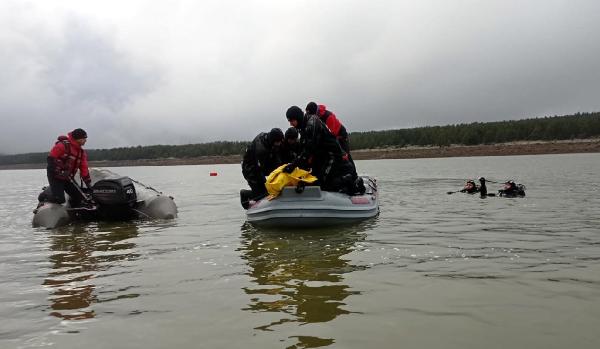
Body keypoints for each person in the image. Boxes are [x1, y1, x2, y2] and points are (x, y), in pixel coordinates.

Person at [285, 106, 364, 195]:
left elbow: (309, 149)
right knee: (317, 179)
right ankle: (342, 181)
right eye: (289, 121)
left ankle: (352, 182)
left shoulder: (312, 123)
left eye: (291, 121)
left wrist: (293, 165)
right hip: (322, 157)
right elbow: (305, 150)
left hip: (332, 155)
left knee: (323, 183)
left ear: (298, 117)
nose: (291, 124)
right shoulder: (303, 127)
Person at [46, 128, 92, 207]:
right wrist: (57, 171)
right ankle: (46, 196)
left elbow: (84, 168)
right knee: (59, 200)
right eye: (84, 138)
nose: (85, 140)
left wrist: (89, 184)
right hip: (55, 176)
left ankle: (76, 212)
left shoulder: (81, 153)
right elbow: (50, 159)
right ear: (78, 139)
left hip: (68, 177)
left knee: (80, 198)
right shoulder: (62, 146)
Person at [241, 128, 284, 200]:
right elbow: (260, 170)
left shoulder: (269, 140)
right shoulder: (261, 149)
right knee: (263, 194)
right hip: (250, 170)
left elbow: (276, 159)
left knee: (267, 190)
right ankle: (245, 194)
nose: (279, 143)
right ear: (273, 140)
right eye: (278, 142)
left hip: (259, 166)